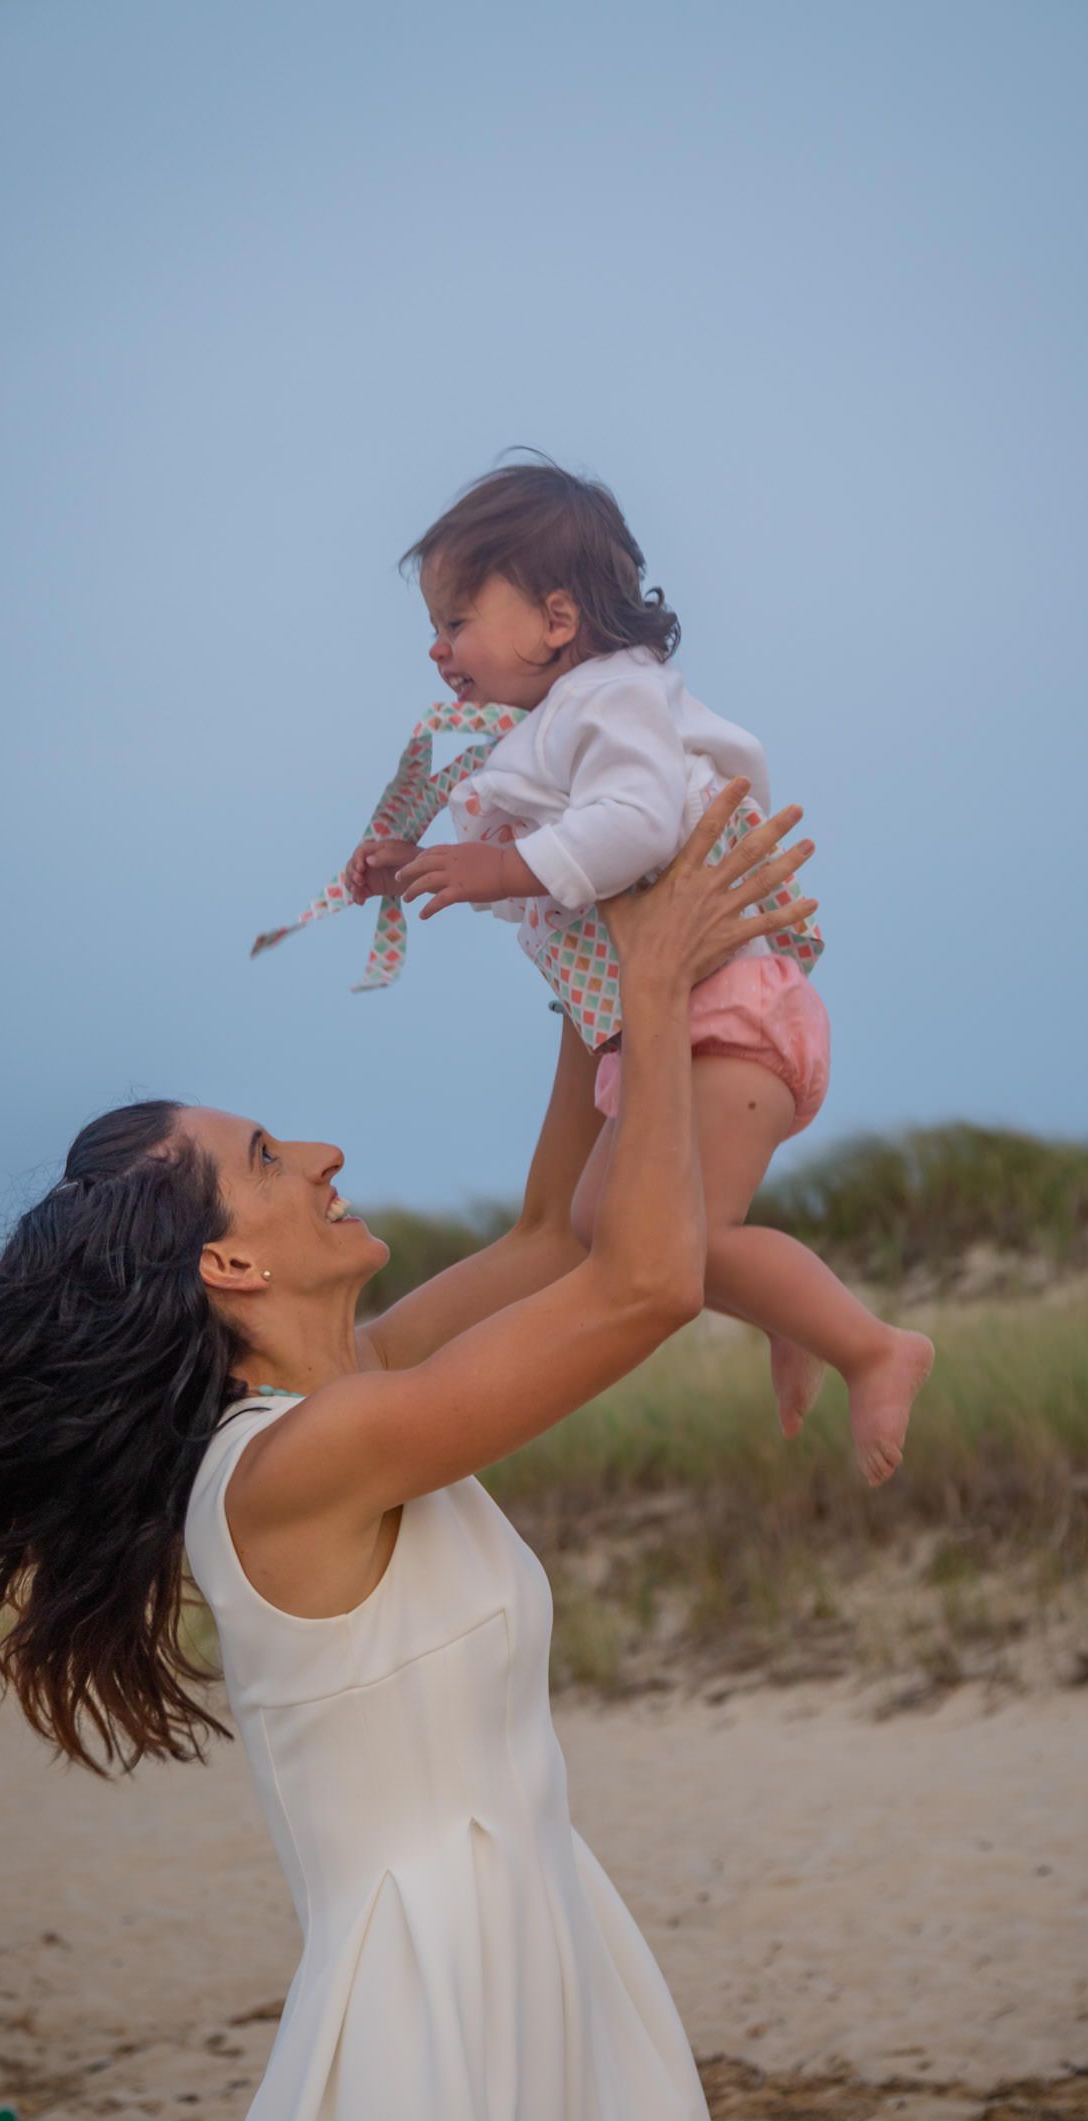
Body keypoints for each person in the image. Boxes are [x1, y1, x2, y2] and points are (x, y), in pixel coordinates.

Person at [0, 783, 818, 2121]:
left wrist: (591, 959)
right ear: (227, 1266)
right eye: (269, 1157)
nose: (326, 1154)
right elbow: (646, 1285)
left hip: (528, 1968)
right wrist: (655, 984)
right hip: (425, 2038)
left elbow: (550, 1239)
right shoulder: (291, 1470)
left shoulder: (361, 1394)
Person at [342, 455, 933, 1484]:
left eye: (456, 619)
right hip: (679, 1013)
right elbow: (550, 869)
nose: (439, 650)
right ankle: (784, 1308)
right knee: (614, 1228)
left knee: (648, 1238)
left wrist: (499, 866)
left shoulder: (612, 699)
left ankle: (872, 1345)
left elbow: (634, 826)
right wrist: (413, 865)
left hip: (726, 1007)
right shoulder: (557, 723)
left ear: (557, 617)